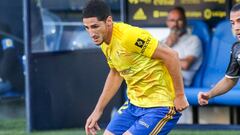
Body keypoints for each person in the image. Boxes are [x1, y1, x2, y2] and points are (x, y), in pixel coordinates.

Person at [82, 0, 189, 135]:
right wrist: (98, 110)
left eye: (95, 26)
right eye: (87, 27)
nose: (91, 33)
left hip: (161, 104)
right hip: (134, 104)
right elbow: (116, 73)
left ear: (109, 21)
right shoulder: (103, 40)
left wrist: (180, 95)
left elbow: (172, 56)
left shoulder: (129, 36)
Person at [198, 3, 240, 106]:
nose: (236, 28)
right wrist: (209, 94)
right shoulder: (237, 48)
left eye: (239, 21)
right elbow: (230, 80)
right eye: (233, 23)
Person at [164, 7, 203, 87]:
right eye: (172, 20)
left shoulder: (193, 40)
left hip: (180, 81)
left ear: (185, 22)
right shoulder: (163, 42)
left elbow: (185, 64)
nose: (175, 24)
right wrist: (167, 46)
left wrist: (162, 58)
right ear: (167, 23)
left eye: (179, 20)